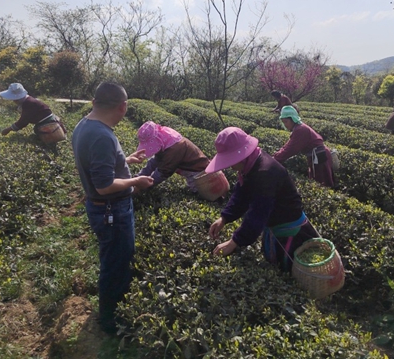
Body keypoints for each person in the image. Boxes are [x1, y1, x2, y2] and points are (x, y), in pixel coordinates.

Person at [71, 82, 154, 334]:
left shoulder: (85, 125)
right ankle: (111, 320)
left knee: (114, 258)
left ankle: (113, 309)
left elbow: (97, 163)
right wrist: (136, 181)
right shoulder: (102, 136)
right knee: (116, 263)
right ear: (123, 107)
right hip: (111, 209)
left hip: (104, 208)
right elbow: (105, 185)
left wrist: (124, 159)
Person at [206, 127, 319, 272]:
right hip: (274, 224)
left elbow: (257, 214)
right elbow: (241, 194)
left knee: (290, 272)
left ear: (242, 156)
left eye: (231, 160)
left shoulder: (265, 173)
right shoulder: (250, 164)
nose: (230, 166)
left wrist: (234, 242)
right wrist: (224, 218)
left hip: (289, 228)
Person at [135, 121, 210, 192]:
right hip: (189, 169)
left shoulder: (174, 149)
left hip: (200, 173)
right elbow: (155, 161)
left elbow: (163, 172)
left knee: (197, 191)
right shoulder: (164, 140)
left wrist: (144, 186)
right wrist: (138, 177)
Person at [273, 106, 336, 188]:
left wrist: (274, 159)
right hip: (317, 156)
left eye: (286, 121)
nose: (285, 124)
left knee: (322, 183)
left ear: (293, 119)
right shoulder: (298, 128)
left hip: (319, 157)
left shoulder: (300, 130)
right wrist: (275, 155)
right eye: (283, 122)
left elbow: (290, 149)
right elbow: (288, 145)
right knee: (317, 181)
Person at [0, 83, 65, 140]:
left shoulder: (28, 103)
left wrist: (8, 129)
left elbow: (23, 122)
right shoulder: (27, 100)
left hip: (49, 126)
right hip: (48, 123)